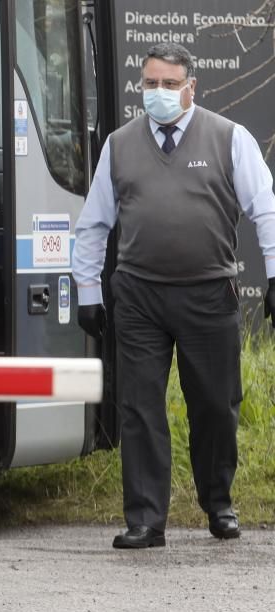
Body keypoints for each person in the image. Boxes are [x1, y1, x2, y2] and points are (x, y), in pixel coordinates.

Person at [72, 43, 275, 549]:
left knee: (214, 404)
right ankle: (145, 519)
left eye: (168, 83)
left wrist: (274, 278)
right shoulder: (119, 145)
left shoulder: (230, 138)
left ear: (191, 87)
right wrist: (88, 291)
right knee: (138, 406)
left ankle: (218, 503)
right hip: (139, 295)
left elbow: (266, 211)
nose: (157, 93)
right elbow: (94, 224)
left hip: (209, 294)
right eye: (149, 83)